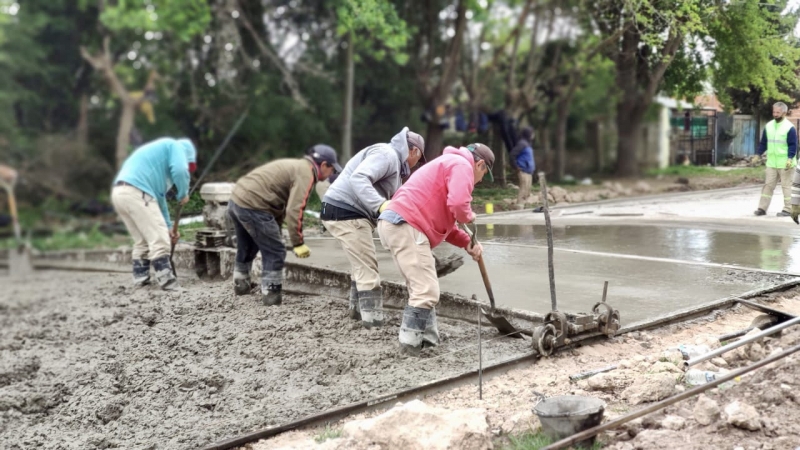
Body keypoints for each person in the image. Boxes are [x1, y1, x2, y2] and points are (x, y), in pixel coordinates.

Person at [377, 143, 494, 355]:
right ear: (480, 164)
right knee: (426, 291)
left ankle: (429, 342)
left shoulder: (447, 164)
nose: (481, 180)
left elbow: (446, 225)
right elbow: (459, 205)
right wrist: (469, 216)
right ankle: (409, 347)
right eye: (484, 173)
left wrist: (468, 242)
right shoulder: (462, 165)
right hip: (407, 224)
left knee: (422, 287)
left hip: (397, 222)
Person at [321, 127, 425, 328]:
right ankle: (373, 323)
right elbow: (358, 178)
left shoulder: (393, 162)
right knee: (368, 270)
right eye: (418, 160)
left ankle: (357, 313)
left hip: (345, 209)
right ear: (414, 152)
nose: (416, 166)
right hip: (346, 211)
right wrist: (379, 205)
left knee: (360, 264)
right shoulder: (387, 155)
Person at [228, 144, 341, 306]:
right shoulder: (306, 173)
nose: (332, 174)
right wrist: (298, 243)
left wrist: (277, 231)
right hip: (254, 205)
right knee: (275, 251)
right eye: (332, 169)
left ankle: (240, 286)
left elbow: (280, 206)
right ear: (324, 165)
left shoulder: (296, 166)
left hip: (237, 200)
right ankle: (271, 296)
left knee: (248, 245)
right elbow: (295, 209)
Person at [111, 137, 197, 290]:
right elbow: (180, 170)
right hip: (137, 192)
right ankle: (167, 282)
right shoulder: (175, 146)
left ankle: (141, 279)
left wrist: (169, 227)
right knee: (159, 239)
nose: (187, 168)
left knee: (142, 240)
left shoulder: (155, 166)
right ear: (186, 156)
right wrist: (183, 193)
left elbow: (159, 200)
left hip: (120, 193)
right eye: (188, 164)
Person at [755, 102, 797, 217]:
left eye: (778, 112)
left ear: (784, 112)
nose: (775, 114)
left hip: (786, 164)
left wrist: (790, 158)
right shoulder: (769, 126)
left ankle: (788, 209)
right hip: (772, 163)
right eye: (774, 112)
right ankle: (762, 208)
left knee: (786, 186)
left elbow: (793, 145)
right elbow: (764, 142)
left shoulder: (789, 128)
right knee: (768, 185)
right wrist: (758, 154)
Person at [510, 127, 535, 207]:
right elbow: (512, 155)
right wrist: (516, 166)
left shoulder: (528, 144)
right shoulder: (522, 144)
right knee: (523, 190)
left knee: (527, 192)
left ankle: (524, 206)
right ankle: (519, 207)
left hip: (529, 172)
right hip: (523, 170)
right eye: (532, 133)